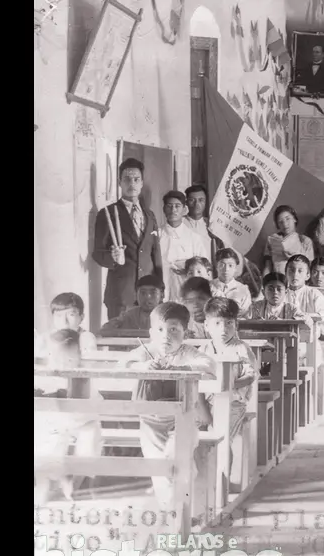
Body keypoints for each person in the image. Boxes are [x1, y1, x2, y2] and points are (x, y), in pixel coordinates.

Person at [122, 302, 217, 506]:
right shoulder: (145, 351)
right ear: (150, 332)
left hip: (183, 418)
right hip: (150, 420)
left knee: (178, 456)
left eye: (173, 329)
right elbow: (123, 365)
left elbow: (209, 365)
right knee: (157, 465)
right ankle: (169, 508)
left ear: (185, 332)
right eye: (160, 329)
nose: (166, 335)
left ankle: (181, 504)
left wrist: (183, 367)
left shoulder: (187, 352)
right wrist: (144, 366)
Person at [34, 329, 102, 503]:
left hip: (83, 422)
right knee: (46, 445)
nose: (63, 365)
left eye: (69, 359)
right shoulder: (48, 375)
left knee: (87, 447)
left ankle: (75, 483)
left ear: (78, 356)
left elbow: (89, 407)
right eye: (57, 359)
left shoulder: (82, 375)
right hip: (56, 425)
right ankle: (43, 484)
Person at [92, 158, 161, 319]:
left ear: (142, 183)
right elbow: (97, 253)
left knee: (148, 341)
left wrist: (160, 288)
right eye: (127, 179)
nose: (132, 183)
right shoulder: (107, 213)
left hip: (148, 294)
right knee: (120, 340)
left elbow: (156, 256)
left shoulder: (150, 216)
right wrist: (113, 258)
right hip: (120, 294)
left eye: (136, 179)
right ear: (119, 182)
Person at [200, 298, 257, 477]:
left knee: (221, 437)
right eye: (217, 323)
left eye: (229, 323)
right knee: (190, 433)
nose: (223, 329)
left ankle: (221, 482)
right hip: (207, 401)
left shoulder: (241, 348)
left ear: (236, 324)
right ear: (206, 325)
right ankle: (202, 479)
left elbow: (250, 375)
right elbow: (198, 381)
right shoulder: (204, 349)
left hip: (234, 402)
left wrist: (230, 385)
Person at [158, 191, 212, 303]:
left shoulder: (194, 238)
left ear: (184, 209)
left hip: (187, 294)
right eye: (169, 206)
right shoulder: (157, 236)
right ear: (164, 209)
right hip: (162, 292)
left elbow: (204, 272)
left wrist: (187, 269)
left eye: (177, 206)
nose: (173, 210)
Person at [263, 205, 315, 275]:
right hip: (279, 281)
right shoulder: (273, 240)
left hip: (298, 281)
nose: (285, 224)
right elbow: (268, 267)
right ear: (277, 225)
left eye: (287, 219)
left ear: (294, 219)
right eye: (280, 222)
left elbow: (309, 267)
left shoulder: (305, 241)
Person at [211, 248, 253, 315]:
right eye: (222, 265)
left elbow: (246, 315)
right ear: (216, 266)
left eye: (230, 265)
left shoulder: (243, 289)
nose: (226, 269)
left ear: (235, 268)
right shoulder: (208, 286)